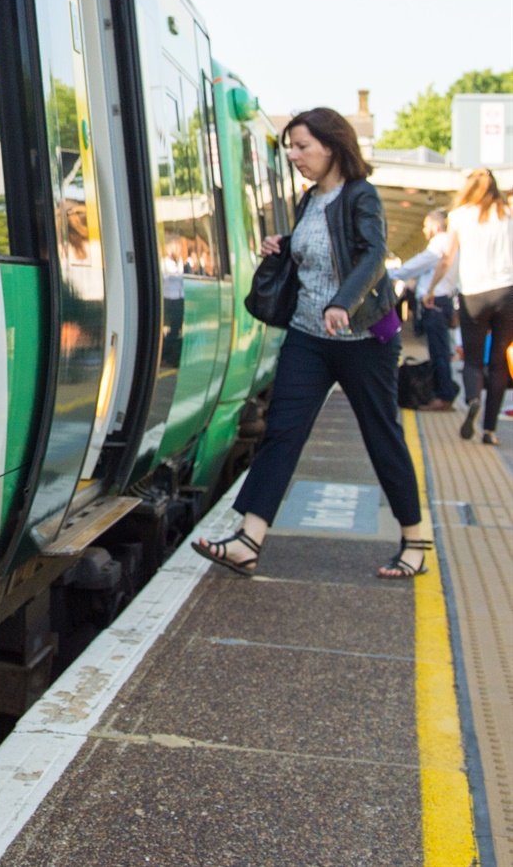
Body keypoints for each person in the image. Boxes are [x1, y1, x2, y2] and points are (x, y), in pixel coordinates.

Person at [193, 108, 428, 579]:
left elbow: (373, 254)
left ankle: (415, 541)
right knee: (283, 431)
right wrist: (283, 245)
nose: (295, 157)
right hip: (307, 336)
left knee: (380, 433)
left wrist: (342, 302)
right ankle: (248, 540)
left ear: (332, 145)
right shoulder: (308, 201)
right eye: (291, 149)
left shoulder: (361, 195)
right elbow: (319, 252)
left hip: (361, 339)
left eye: (302, 147)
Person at [428, 167, 513, 445]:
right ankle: (489, 431)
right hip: (507, 293)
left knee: (473, 359)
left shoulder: (459, 216)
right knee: (499, 364)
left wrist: (431, 289)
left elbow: (447, 258)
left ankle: (473, 399)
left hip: (473, 294)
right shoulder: (508, 214)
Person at [392, 208, 458, 410]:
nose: (424, 230)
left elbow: (412, 268)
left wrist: (387, 273)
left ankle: (444, 396)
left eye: (425, 226)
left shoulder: (439, 244)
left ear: (436, 226)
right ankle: (443, 390)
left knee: (439, 352)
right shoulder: (456, 243)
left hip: (434, 301)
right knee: (442, 350)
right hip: (445, 300)